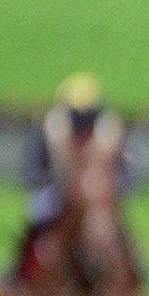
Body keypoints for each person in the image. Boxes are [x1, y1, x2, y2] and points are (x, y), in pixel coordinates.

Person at [24, 73, 124, 231]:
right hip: (55, 188)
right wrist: (48, 183)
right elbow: (36, 166)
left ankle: (132, 255)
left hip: (96, 191)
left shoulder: (107, 131)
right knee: (39, 211)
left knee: (115, 225)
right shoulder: (52, 128)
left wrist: (113, 188)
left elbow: (123, 171)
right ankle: (28, 253)